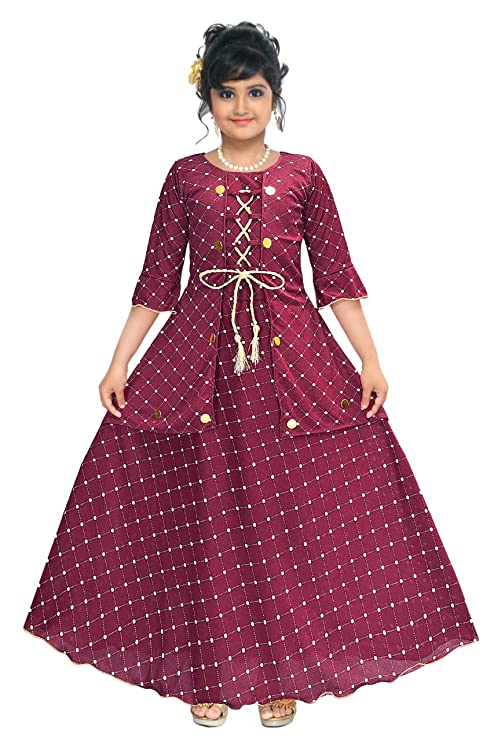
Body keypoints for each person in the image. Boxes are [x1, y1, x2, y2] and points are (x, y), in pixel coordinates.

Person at [23, 20, 479, 729]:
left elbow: (335, 277)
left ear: (275, 96)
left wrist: (369, 356)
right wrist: (119, 361)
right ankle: (210, 671)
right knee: (203, 515)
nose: (242, 106)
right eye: (228, 92)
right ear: (207, 98)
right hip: (196, 362)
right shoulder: (184, 177)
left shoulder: (304, 174)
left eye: (256, 91)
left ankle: (281, 670)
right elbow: (156, 281)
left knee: (284, 515)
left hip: (290, 362)